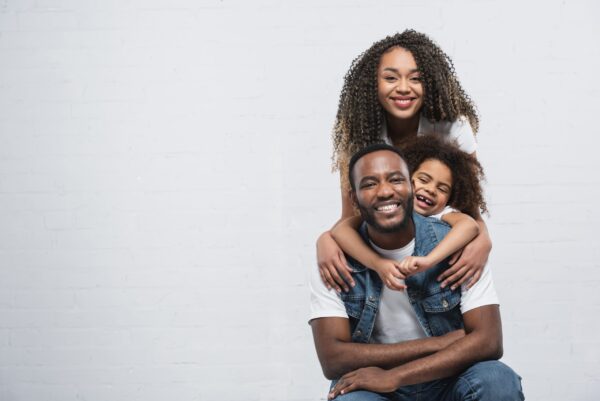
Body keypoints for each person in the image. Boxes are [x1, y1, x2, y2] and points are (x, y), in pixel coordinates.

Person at [309, 144, 523, 400]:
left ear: (410, 186)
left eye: (395, 180)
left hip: (448, 378)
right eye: (369, 184)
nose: (385, 191)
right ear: (354, 198)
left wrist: (396, 376)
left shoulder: (459, 247)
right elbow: (333, 359)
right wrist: (440, 343)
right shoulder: (334, 259)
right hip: (373, 384)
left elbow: (489, 341)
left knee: (497, 380)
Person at [317, 30, 491, 294]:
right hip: (382, 255)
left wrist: (484, 240)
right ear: (372, 83)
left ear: (430, 82)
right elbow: (351, 218)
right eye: (390, 78)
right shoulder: (360, 134)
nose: (403, 88)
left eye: (416, 78)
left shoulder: (452, 126)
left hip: (440, 254)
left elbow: (472, 214)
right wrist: (325, 240)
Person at [328, 135, 486, 292]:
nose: (431, 190)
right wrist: (377, 263)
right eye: (424, 180)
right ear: (408, 181)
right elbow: (341, 230)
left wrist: (429, 260)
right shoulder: (384, 210)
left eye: (442, 189)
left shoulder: (442, 215)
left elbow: (469, 225)